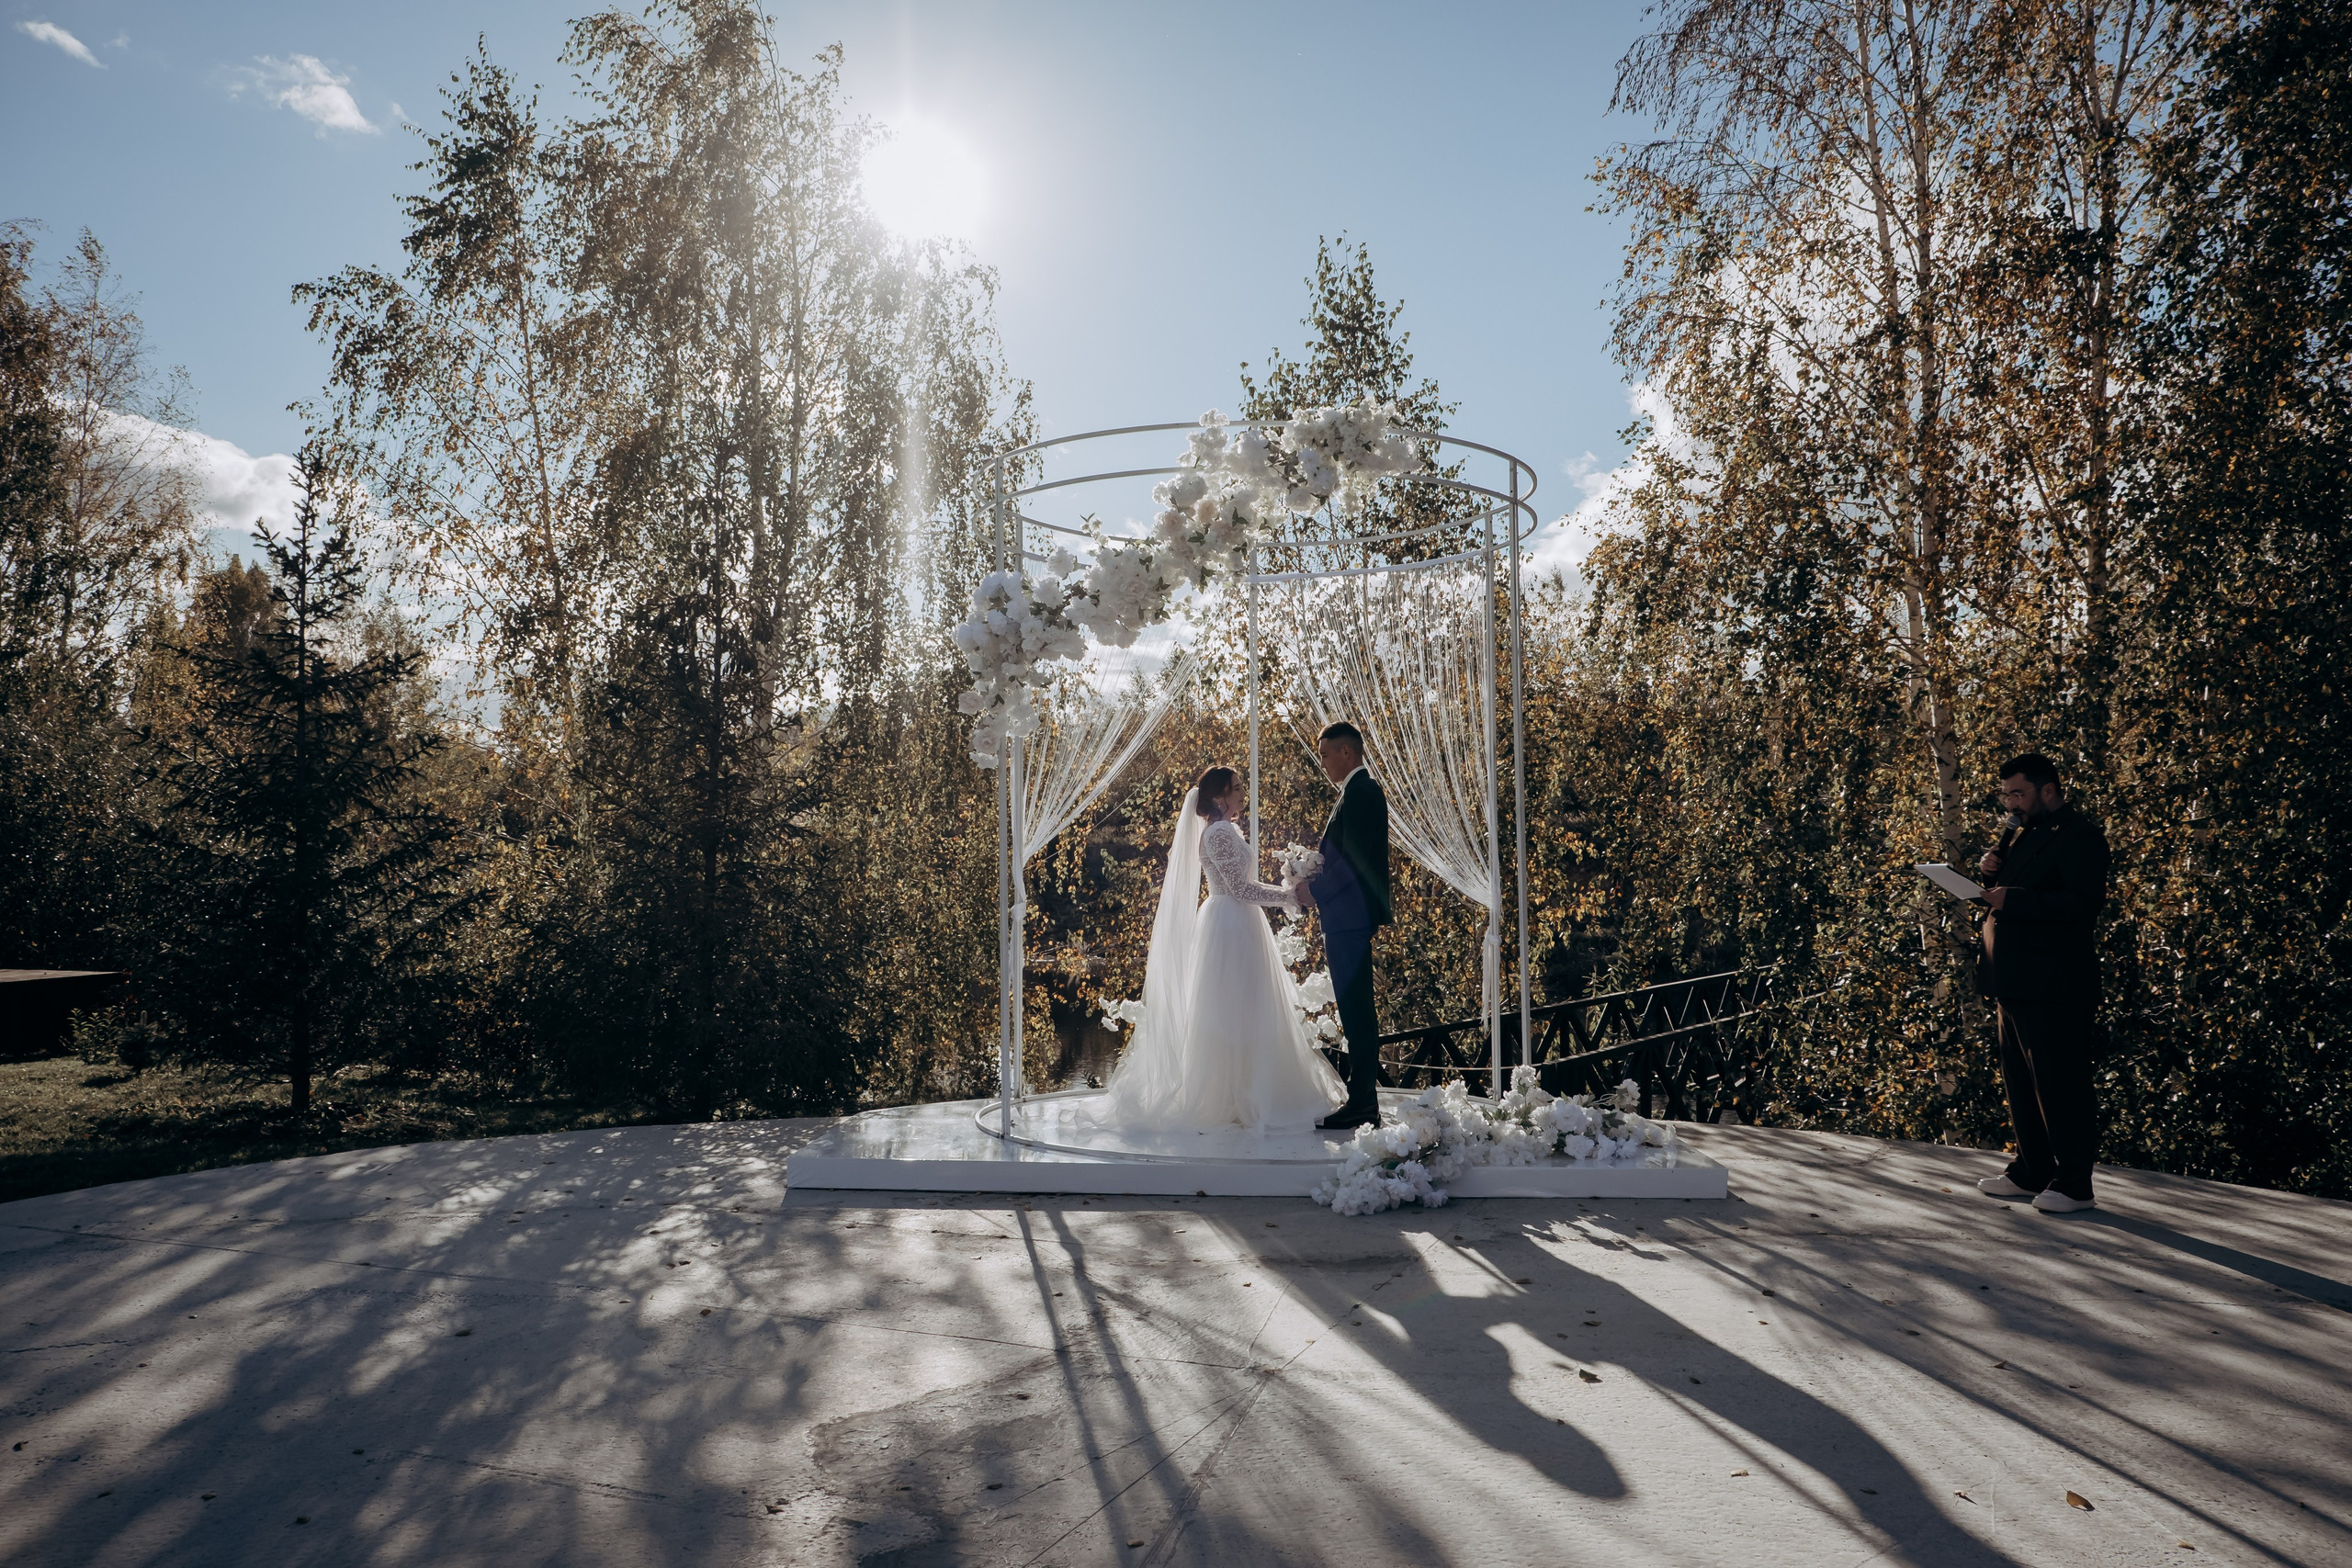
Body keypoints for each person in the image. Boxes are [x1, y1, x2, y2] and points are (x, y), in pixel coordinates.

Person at [1095, 767, 1344, 1134]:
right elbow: (1240, 890)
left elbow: (1242, 884)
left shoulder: (1224, 830)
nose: (1244, 793)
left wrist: (1284, 889)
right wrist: (1287, 895)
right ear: (1219, 797)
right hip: (1230, 924)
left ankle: (1244, 1090)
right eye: (1238, 788)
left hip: (1236, 920)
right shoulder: (1220, 833)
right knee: (1234, 1008)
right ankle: (1231, 1096)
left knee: (1244, 1007)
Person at [1973, 753, 2110, 1213]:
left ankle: (2075, 1184)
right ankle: (2032, 1170)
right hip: (2011, 978)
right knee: (2021, 1083)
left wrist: (2015, 898)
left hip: (2055, 982)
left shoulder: (2081, 837)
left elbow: (2080, 905)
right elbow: (2004, 901)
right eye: (2006, 794)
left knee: (2060, 1083)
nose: (2011, 803)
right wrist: (1988, 875)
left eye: (2018, 793)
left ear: (2048, 789)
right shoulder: (2025, 836)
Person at [1295, 721, 1393, 1132]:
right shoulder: (1352, 794)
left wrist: (1314, 891)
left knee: (1357, 1013)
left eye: (1325, 754)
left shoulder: (1362, 793)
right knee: (1355, 1012)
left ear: (1346, 753)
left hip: (1349, 918)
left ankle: (1363, 1104)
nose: (1322, 763)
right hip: (1346, 918)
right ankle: (1362, 1101)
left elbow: (1352, 862)